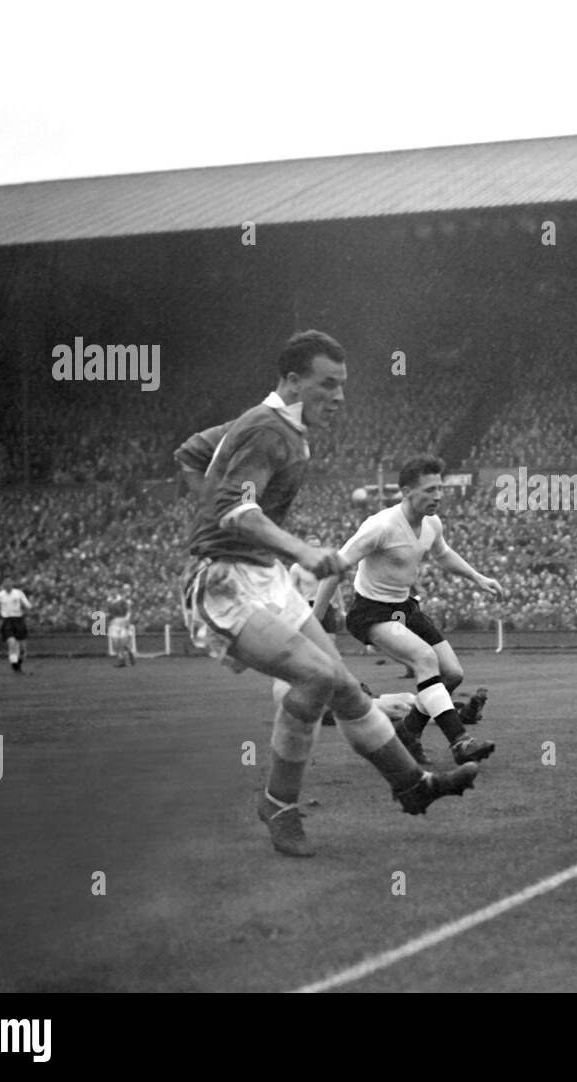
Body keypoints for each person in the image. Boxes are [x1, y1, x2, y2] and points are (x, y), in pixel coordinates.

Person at [178, 331, 480, 858]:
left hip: (262, 577)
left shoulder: (274, 427)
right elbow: (236, 509)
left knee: (342, 685)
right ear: (293, 381)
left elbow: (194, 453)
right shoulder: (268, 429)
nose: (339, 397)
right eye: (327, 385)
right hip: (223, 582)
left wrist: (215, 512)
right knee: (315, 676)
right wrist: (294, 548)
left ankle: (414, 785)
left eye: (342, 385)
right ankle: (279, 803)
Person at [321, 455, 500, 766]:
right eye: (430, 490)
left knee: (452, 674)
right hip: (371, 612)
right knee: (425, 659)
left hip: (404, 608)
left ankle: (407, 733)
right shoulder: (380, 526)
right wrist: (312, 622)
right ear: (406, 491)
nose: (438, 496)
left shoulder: (432, 523)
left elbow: (442, 554)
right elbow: (335, 567)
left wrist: (477, 576)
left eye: (440, 489)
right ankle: (460, 741)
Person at [0, 577, 31, 673]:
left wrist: (26, 607)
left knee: (22, 648)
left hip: (18, 620)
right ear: (3, 585)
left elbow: (28, 605)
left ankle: (18, 664)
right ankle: (15, 667)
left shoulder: (18, 593)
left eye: (9, 583)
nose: (7, 585)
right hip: (7, 621)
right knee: (12, 642)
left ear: (12, 584)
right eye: (5, 584)